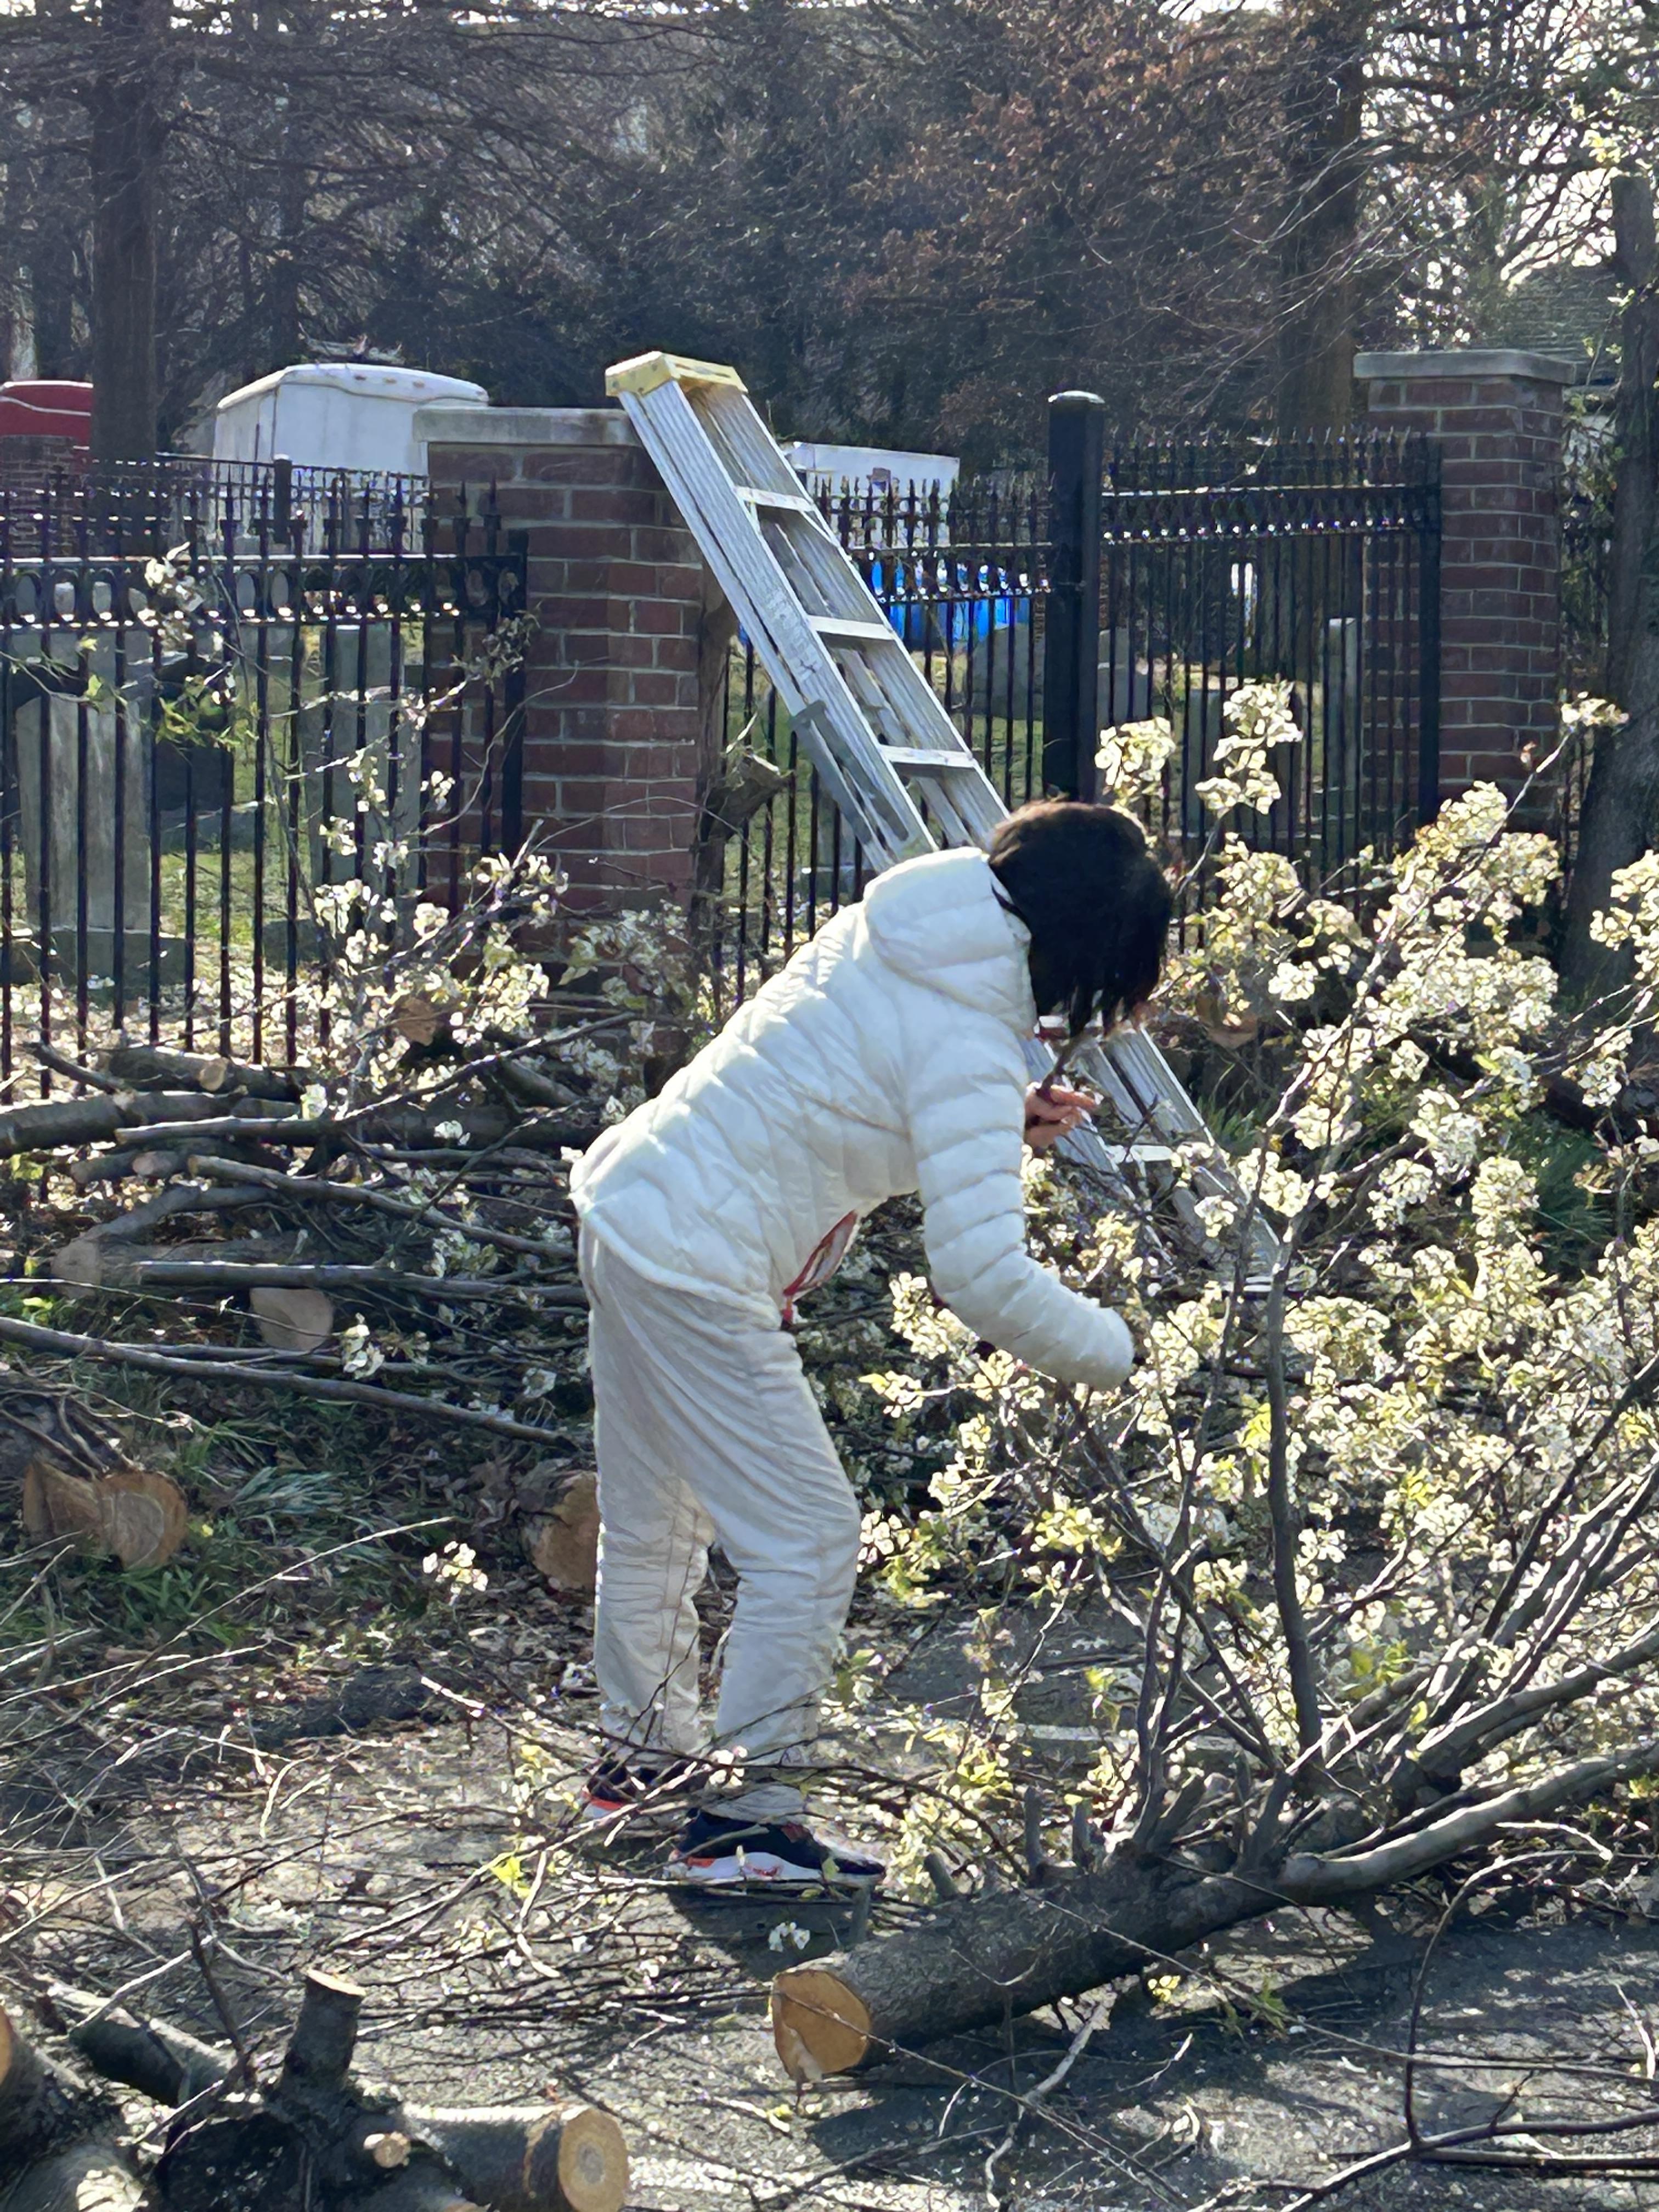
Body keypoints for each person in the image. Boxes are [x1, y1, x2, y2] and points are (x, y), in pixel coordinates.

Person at [568, 800, 1173, 1886]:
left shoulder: (900, 926)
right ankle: (745, 1827)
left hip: (634, 1207)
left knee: (656, 1523)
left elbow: (847, 1082)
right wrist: (1123, 1352)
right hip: (700, 1267)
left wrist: (1000, 1121)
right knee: (808, 1541)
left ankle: (641, 1766)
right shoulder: (971, 1047)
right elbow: (982, 1276)